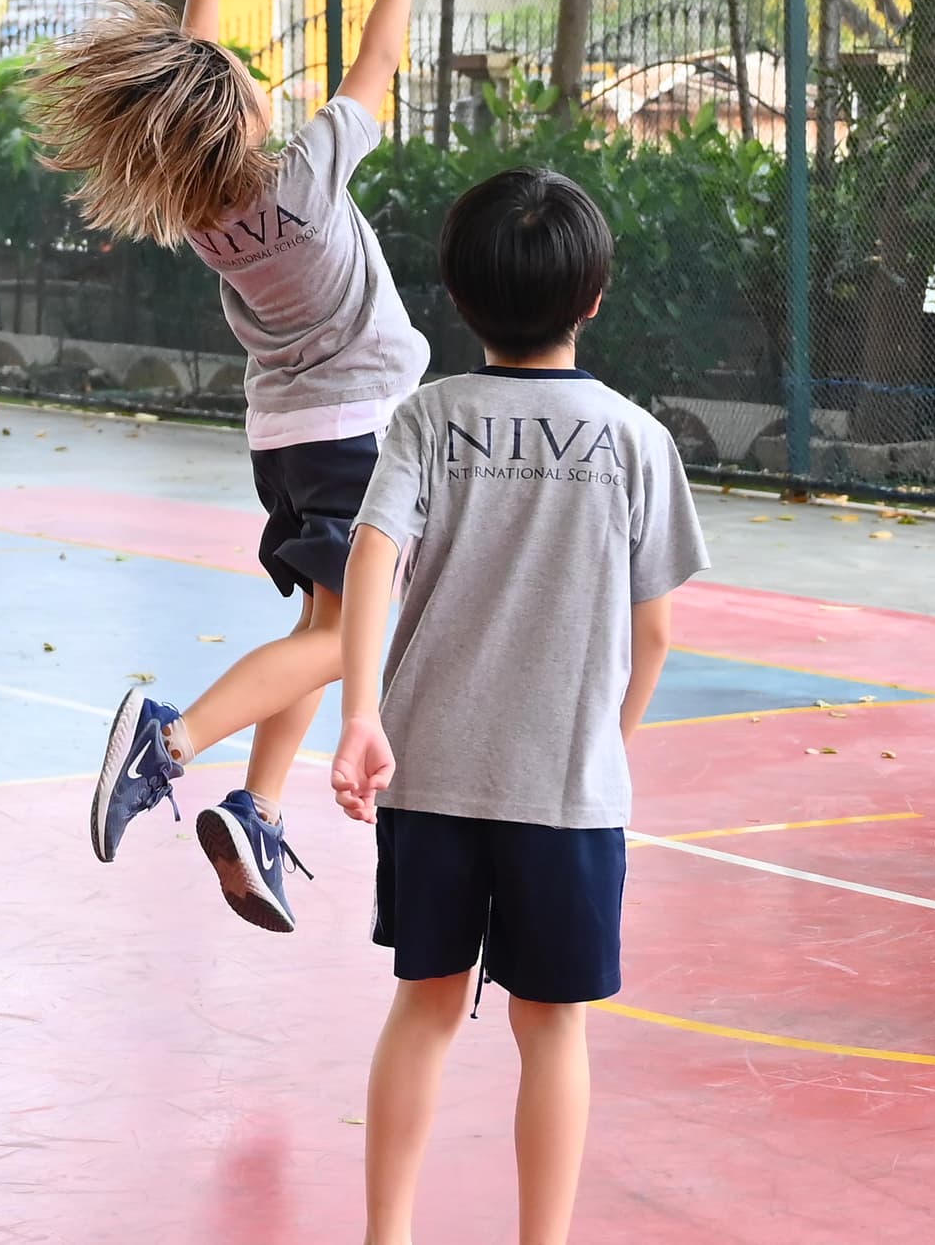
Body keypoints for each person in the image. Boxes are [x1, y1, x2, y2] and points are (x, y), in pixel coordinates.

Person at [45, 0, 465, 931]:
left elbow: (183, 93)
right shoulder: (306, 176)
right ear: (241, 116)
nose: (250, 72)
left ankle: (259, 809)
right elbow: (377, 63)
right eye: (244, 73)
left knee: (326, 622)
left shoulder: (196, 206)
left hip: (285, 439)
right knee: (365, 625)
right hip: (359, 429)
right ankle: (169, 740)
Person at [330, 168, 704, 1245]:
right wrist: (605, 749)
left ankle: (387, 1235)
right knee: (554, 1028)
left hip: (430, 773)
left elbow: (371, 553)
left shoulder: (428, 416)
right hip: (566, 790)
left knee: (425, 1002)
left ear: (457, 294)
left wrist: (361, 713)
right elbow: (655, 632)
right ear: (593, 296)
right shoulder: (635, 438)